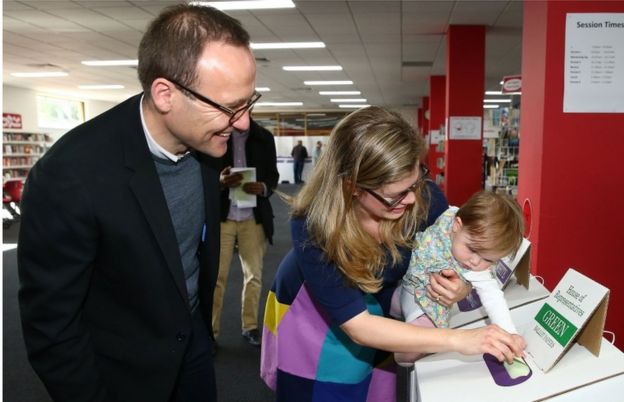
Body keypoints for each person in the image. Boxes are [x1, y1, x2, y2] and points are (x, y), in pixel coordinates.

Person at [17, 5, 258, 402]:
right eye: (231, 107)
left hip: (193, 345)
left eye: (249, 102)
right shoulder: (70, 175)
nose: (244, 123)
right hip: (122, 373)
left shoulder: (208, 141)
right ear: (166, 94)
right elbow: (51, 328)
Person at [260, 106, 524, 402]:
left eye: (415, 182)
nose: (411, 198)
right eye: (395, 194)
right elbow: (359, 326)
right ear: (352, 187)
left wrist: (460, 287)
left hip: (384, 306)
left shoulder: (426, 200)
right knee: (327, 390)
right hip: (314, 311)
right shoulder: (314, 226)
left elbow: (453, 258)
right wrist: (460, 340)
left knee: (379, 389)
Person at [394, 190, 526, 366]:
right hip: (403, 285)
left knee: (425, 335)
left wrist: (509, 333)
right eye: (472, 249)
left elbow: (493, 297)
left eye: (488, 259)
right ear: (456, 225)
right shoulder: (448, 216)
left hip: (424, 299)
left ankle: (403, 357)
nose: (475, 261)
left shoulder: (475, 261)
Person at [212, 118, 279, 350]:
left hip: (253, 216)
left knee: (254, 276)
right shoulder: (216, 134)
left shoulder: (264, 138)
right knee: (217, 278)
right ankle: (211, 332)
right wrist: (219, 182)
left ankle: (250, 326)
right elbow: (202, 175)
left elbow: (273, 176)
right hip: (223, 218)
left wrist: (262, 188)